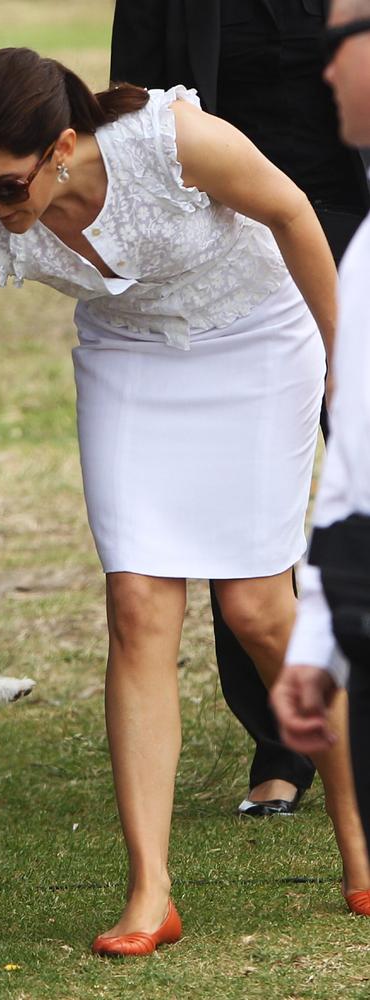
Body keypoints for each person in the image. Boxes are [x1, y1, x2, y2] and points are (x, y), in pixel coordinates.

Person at [0, 47, 370, 955]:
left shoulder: (169, 140)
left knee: (255, 606)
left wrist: (345, 371)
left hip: (255, 335)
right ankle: (150, 892)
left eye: (2, 186)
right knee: (136, 604)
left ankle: (359, 841)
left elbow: (291, 211)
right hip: (132, 362)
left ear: (61, 147)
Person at [110, 0, 370, 818]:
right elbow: (133, 114)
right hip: (236, 246)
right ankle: (281, 744)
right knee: (242, 508)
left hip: (351, 217)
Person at [271, 0, 370, 917]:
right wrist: (318, 645)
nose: (326, 69)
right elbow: (352, 465)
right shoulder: (363, 247)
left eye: (346, 42)